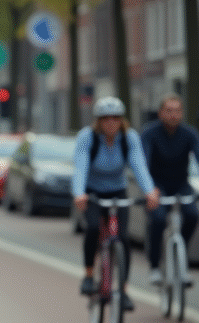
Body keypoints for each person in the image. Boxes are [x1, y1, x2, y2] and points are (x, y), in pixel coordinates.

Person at [72, 96, 159, 310]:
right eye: (106, 118)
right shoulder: (88, 138)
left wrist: (150, 191)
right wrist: (79, 194)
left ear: (122, 120)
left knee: (122, 238)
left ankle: (124, 290)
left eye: (115, 118)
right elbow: (80, 168)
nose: (111, 122)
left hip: (118, 190)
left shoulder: (129, 138)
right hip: (92, 192)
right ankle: (89, 275)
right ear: (99, 121)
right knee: (93, 228)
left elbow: (139, 167)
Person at [141, 94, 199, 286]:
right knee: (158, 220)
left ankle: (178, 255)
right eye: (169, 111)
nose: (173, 115)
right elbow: (144, 162)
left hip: (180, 184)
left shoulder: (189, 134)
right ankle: (155, 266)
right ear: (160, 113)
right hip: (157, 185)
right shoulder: (150, 133)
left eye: (177, 111)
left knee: (192, 215)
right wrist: (150, 189)